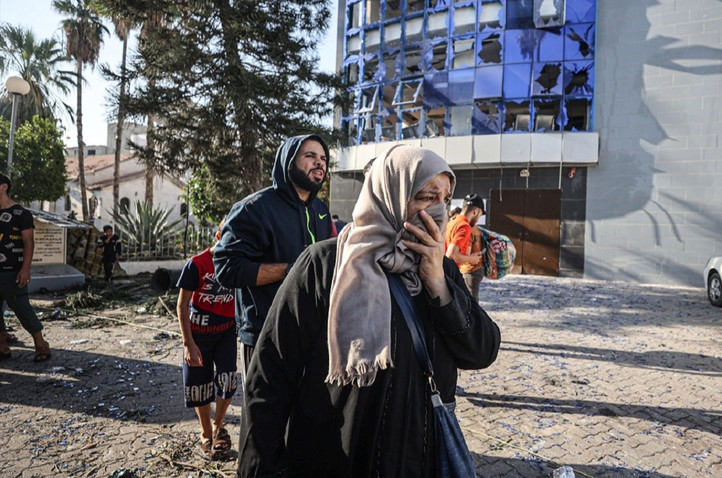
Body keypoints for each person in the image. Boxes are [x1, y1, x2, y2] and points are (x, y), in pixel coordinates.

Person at [237, 145, 501, 477]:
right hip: (338, 460)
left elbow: (482, 351)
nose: (439, 211)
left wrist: (438, 285)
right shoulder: (325, 266)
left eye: (446, 200)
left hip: (420, 460)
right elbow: (269, 377)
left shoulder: (441, 271)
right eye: (426, 197)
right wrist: (265, 470)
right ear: (391, 194)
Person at [214, 134, 336, 385]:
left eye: (323, 158)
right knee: (264, 420)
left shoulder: (321, 211)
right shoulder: (254, 208)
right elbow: (226, 269)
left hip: (312, 334)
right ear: (289, 162)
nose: (319, 163)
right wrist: (292, 271)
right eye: (310, 156)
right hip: (265, 334)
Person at [176, 219, 237, 460]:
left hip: (226, 333)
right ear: (218, 236)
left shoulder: (238, 265)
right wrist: (188, 344)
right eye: (228, 238)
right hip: (198, 335)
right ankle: (205, 434)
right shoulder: (196, 264)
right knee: (200, 386)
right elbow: (182, 305)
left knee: (227, 380)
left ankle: (218, 425)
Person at [0, 173, 50, 362]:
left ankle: (41, 345)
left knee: (22, 308)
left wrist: (25, 269)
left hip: (13, 271)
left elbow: (29, 243)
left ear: (4, 187)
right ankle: (2, 347)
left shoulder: (21, 213)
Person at [445, 193, 486, 299]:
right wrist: (471, 259)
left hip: (442, 273)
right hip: (448, 276)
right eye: (480, 215)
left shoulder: (452, 223)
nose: (478, 219)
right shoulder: (465, 226)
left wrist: (468, 257)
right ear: (475, 211)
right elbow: (451, 255)